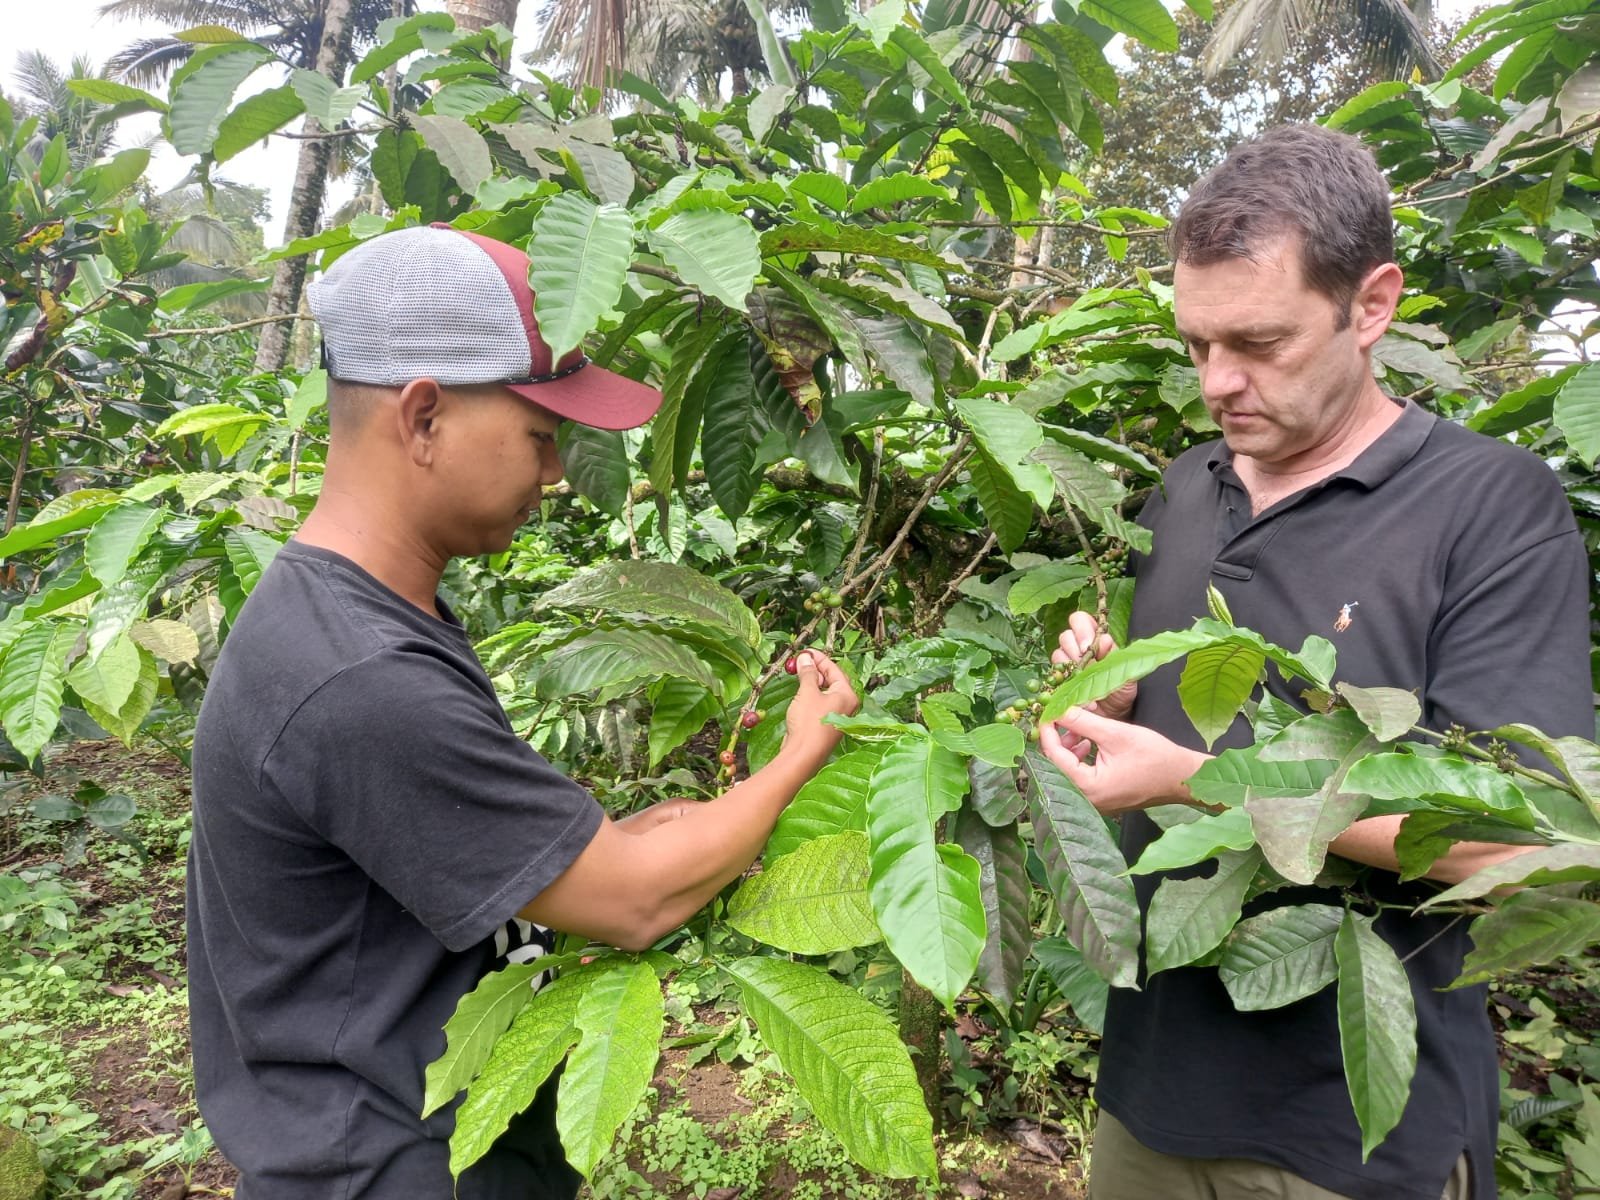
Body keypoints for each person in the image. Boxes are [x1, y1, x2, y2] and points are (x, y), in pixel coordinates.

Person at [186, 224, 859, 1199]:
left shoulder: (358, 617)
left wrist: (673, 830)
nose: (553, 475)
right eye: (541, 437)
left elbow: (488, 872)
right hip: (386, 1172)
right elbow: (631, 898)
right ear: (423, 417)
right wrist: (797, 758)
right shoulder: (360, 674)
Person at [1038, 125, 1591, 1200]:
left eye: (1258, 342)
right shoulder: (1188, 488)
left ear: (1370, 305)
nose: (1218, 381)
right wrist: (1104, 697)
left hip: (1354, 1141)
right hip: (1148, 1098)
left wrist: (1194, 781)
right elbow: (1167, 741)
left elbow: (1518, 842)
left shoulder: (1492, 510)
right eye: (1196, 345)